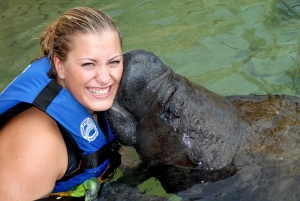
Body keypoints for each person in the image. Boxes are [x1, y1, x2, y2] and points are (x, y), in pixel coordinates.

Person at [0, 6, 123, 200]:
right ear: (60, 66)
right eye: (88, 64)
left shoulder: (97, 105)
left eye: (114, 62)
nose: (105, 78)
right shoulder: (37, 142)